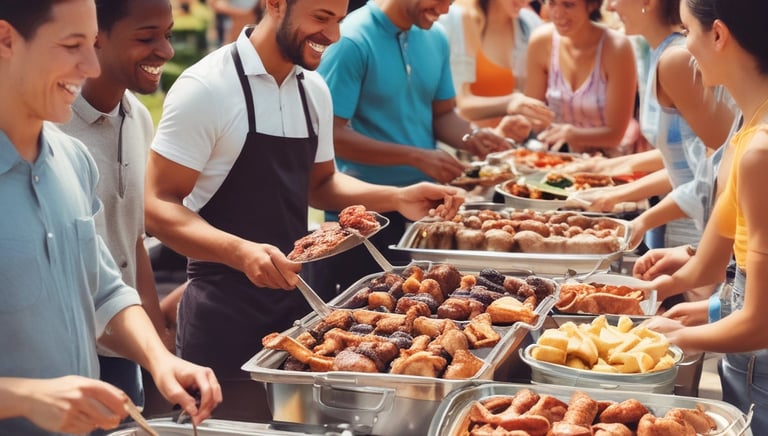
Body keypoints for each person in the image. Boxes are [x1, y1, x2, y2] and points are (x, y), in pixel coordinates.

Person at [144, 0, 466, 421]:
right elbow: (156, 204)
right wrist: (239, 251)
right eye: (319, 18)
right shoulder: (207, 87)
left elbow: (320, 184)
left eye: (338, 20)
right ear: (275, 4)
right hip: (222, 319)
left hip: (297, 315)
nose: (332, 36)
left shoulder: (312, 89)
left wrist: (396, 196)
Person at [0, 1, 222, 434]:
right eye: (71, 46)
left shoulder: (73, 160)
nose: (90, 66)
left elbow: (105, 291)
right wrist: (23, 396)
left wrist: (162, 360)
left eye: (93, 44)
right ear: (6, 40)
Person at [308, 0, 515, 297]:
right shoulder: (352, 39)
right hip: (368, 221)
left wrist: (473, 137)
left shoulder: (436, 36)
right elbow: (330, 136)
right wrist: (416, 157)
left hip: (426, 214)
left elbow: (442, 114)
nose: (445, 10)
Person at [640, 0, 768, 431]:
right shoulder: (745, 129)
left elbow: (761, 322)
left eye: (687, 30)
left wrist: (659, 338)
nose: (683, 46)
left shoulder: (759, 152)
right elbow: (717, 262)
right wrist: (704, 308)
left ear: (718, 34)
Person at [54, 0, 176, 414]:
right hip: (66, 358)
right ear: (95, 39)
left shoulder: (139, 117)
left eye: (168, 34)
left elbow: (132, 241)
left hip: (124, 345)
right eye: (146, 37)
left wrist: (157, 343)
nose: (166, 50)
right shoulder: (50, 127)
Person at [562, 0, 734, 250]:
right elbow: (686, 155)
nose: (609, 7)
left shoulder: (676, 60)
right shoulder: (658, 54)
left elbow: (719, 168)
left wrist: (629, 204)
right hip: (687, 222)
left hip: (699, 230)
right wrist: (604, 169)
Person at [524, 0, 638, 156]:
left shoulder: (617, 48)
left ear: (592, 5)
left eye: (568, 5)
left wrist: (572, 134)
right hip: (552, 157)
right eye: (552, 3)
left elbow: (615, 135)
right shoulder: (541, 40)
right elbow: (533, 113)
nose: (557, 13)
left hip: (604, 161)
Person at [438, 0, 554, 131]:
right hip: (463, 143)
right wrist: (511, 103)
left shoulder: (531, 24)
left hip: (510, 146)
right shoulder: (455, 19)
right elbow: (459, 104)